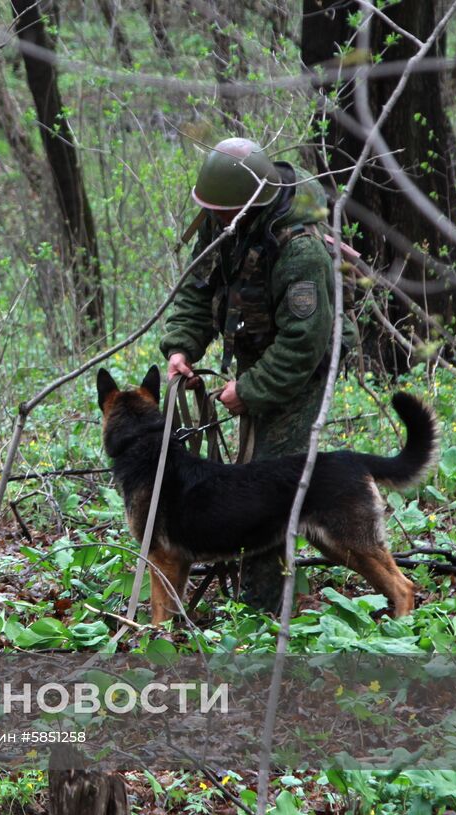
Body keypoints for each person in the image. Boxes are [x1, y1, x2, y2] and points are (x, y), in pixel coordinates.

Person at [159, 137, 354, 612]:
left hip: (301, 376)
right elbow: (196, 288)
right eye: (214, 214)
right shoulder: (224, 219)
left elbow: (303, 345)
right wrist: (183, 346)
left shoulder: (300, 251)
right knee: (248, 481)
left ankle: (267, 613)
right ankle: (274, 598)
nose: (217, 222)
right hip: (254, 364)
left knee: (269, 491)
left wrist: (250, 390)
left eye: (224, 213)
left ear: (251, 203)